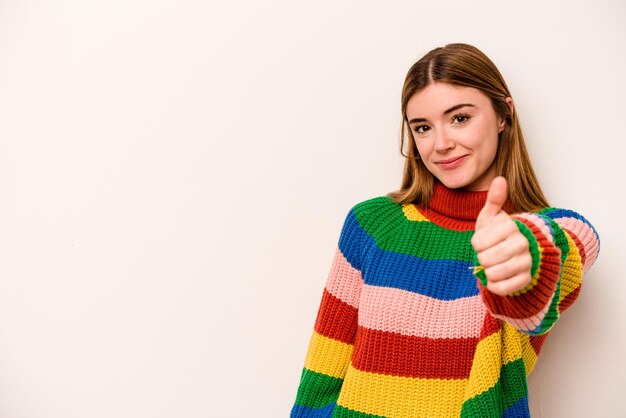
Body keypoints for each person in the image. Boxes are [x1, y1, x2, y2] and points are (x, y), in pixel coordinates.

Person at [289, 43, 600, 418]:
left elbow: (570, 243)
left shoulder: (538, 232)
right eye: (423, 127)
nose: (441, 144)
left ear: (504, 114)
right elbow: (322, 377)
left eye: (459, 118)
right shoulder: (371, 224)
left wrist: (523, 252)